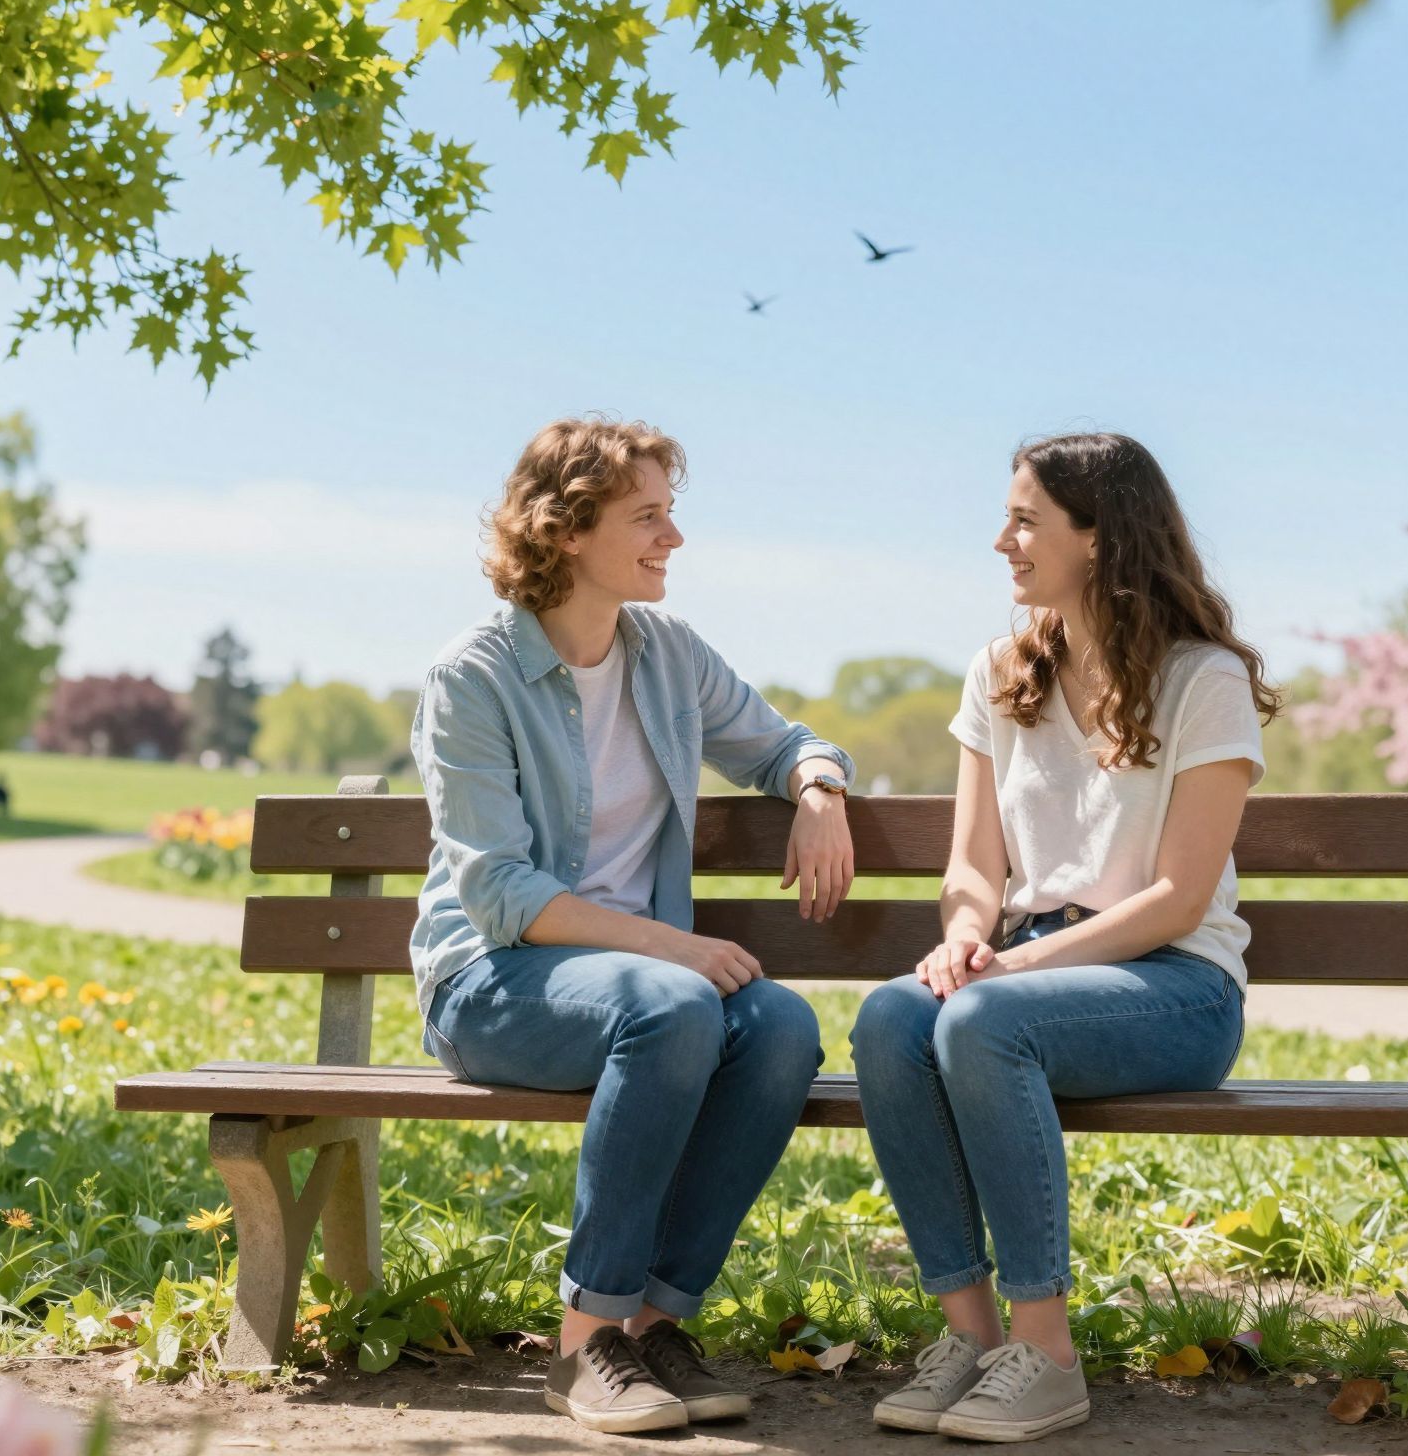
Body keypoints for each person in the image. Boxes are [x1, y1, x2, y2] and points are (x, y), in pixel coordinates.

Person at [410, 418, 857, 1435]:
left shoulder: (667, 654)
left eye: (670, 514)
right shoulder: (471, 677)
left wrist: (818, 788)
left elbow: (782, 742)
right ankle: (582, 1343)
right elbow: (502, 896)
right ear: (565, 530)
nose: (673, 539)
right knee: (674, 1006)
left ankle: (650, 1330)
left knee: (780, 1029)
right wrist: (675, 949)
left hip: (650, 997)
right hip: (493, 981)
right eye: (646, 517)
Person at [852, 432, 1281, 1443]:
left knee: (984, 1022)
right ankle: (970, 1337)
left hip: (1172, 986)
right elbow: (972, 869)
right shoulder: (999, 672)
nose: (1001, 539)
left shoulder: (1200, 678)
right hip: (1021, 971)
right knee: (886, 1020)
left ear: (1097, 538)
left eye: (1024, 519)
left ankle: (1043, 1348)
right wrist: (963, 936)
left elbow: (1178, 897)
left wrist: (1008, 967)